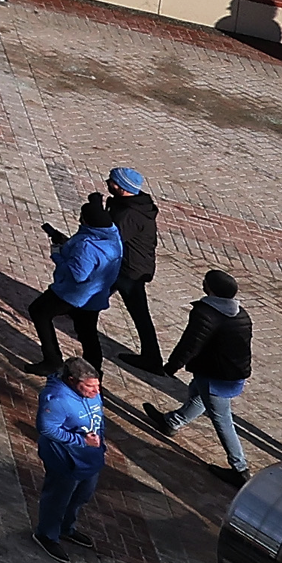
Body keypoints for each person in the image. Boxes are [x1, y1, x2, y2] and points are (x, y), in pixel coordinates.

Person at [129, 269, 255, 471]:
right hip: (233, 372)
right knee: (198, 392)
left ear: (210, 289)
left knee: (222, 418)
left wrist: (171, 368)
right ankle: (172, 421)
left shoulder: (206, 313)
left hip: (216, 376)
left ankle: (239, 468)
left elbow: (190, 344)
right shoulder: (241, 314)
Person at [29, 193, 120, 377]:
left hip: (73, 294)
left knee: (39, 311)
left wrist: (57, 254)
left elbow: (77, 274)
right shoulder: (113, 237)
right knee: (88, 334)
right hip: (95, 296)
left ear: (86, 222)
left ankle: (52, 360)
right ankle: (94, 373)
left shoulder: (86, 245)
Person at [92, 168, 164, 369]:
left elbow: (110, 238)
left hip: (130, 271)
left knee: (139, 313)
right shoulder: (128, 204)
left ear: (121, 188)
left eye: (111, 182)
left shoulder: (130, 214)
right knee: (94, 291)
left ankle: (152, 358)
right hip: (125, 266)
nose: (107, 183)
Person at [31, 364, 105, 555]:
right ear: (71, 380)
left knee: (81, 496)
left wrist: (99, 443)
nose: (96, 391)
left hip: (90, 458)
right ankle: (46, 535)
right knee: (57, 499)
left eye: (97, 386)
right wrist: (80, 440)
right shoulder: (56, 400)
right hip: (66, 460)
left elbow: (98, 418)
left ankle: (66, 528)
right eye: (90, 387)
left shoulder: (93, 393)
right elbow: (47, 428)